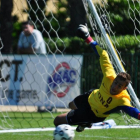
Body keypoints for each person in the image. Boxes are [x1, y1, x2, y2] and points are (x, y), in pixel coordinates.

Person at [54, 24, 140, 132]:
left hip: (92, 114)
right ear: (113, 80)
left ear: (124, 88)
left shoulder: (123, 100)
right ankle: (85, 123)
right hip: (91, 96)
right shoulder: (109, 75)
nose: (115, 87)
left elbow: (133, 112)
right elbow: (103, 54)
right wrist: (87, 37)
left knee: (57, 120)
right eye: (115, 83)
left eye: (119, 86)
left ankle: (85, 121)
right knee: (71, 105)